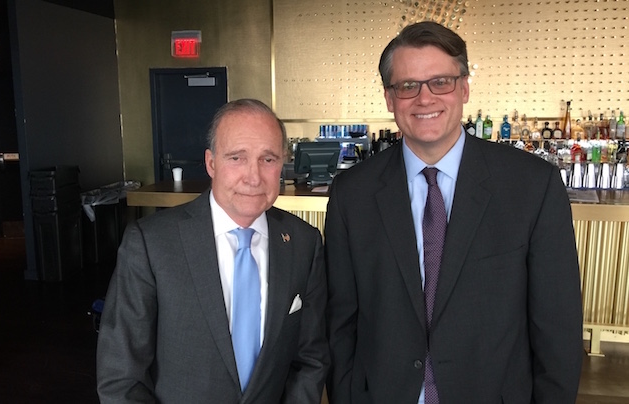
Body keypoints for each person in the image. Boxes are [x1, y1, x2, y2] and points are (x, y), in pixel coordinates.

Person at [325, 21, 583, 403]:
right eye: (407, 86)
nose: (424, 99)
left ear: (463, 88)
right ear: (389, 98)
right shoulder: (353, 193)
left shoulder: (531, 186)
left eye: (440, 82)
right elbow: (341, 322)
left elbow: (556, 326)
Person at [97, 99, 329, 403]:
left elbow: (310, 360)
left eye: (268, 159)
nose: (253, 177)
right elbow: (121, 377)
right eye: (237, 158)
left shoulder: (303, 243)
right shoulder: (151, 244)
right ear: (211, 163)